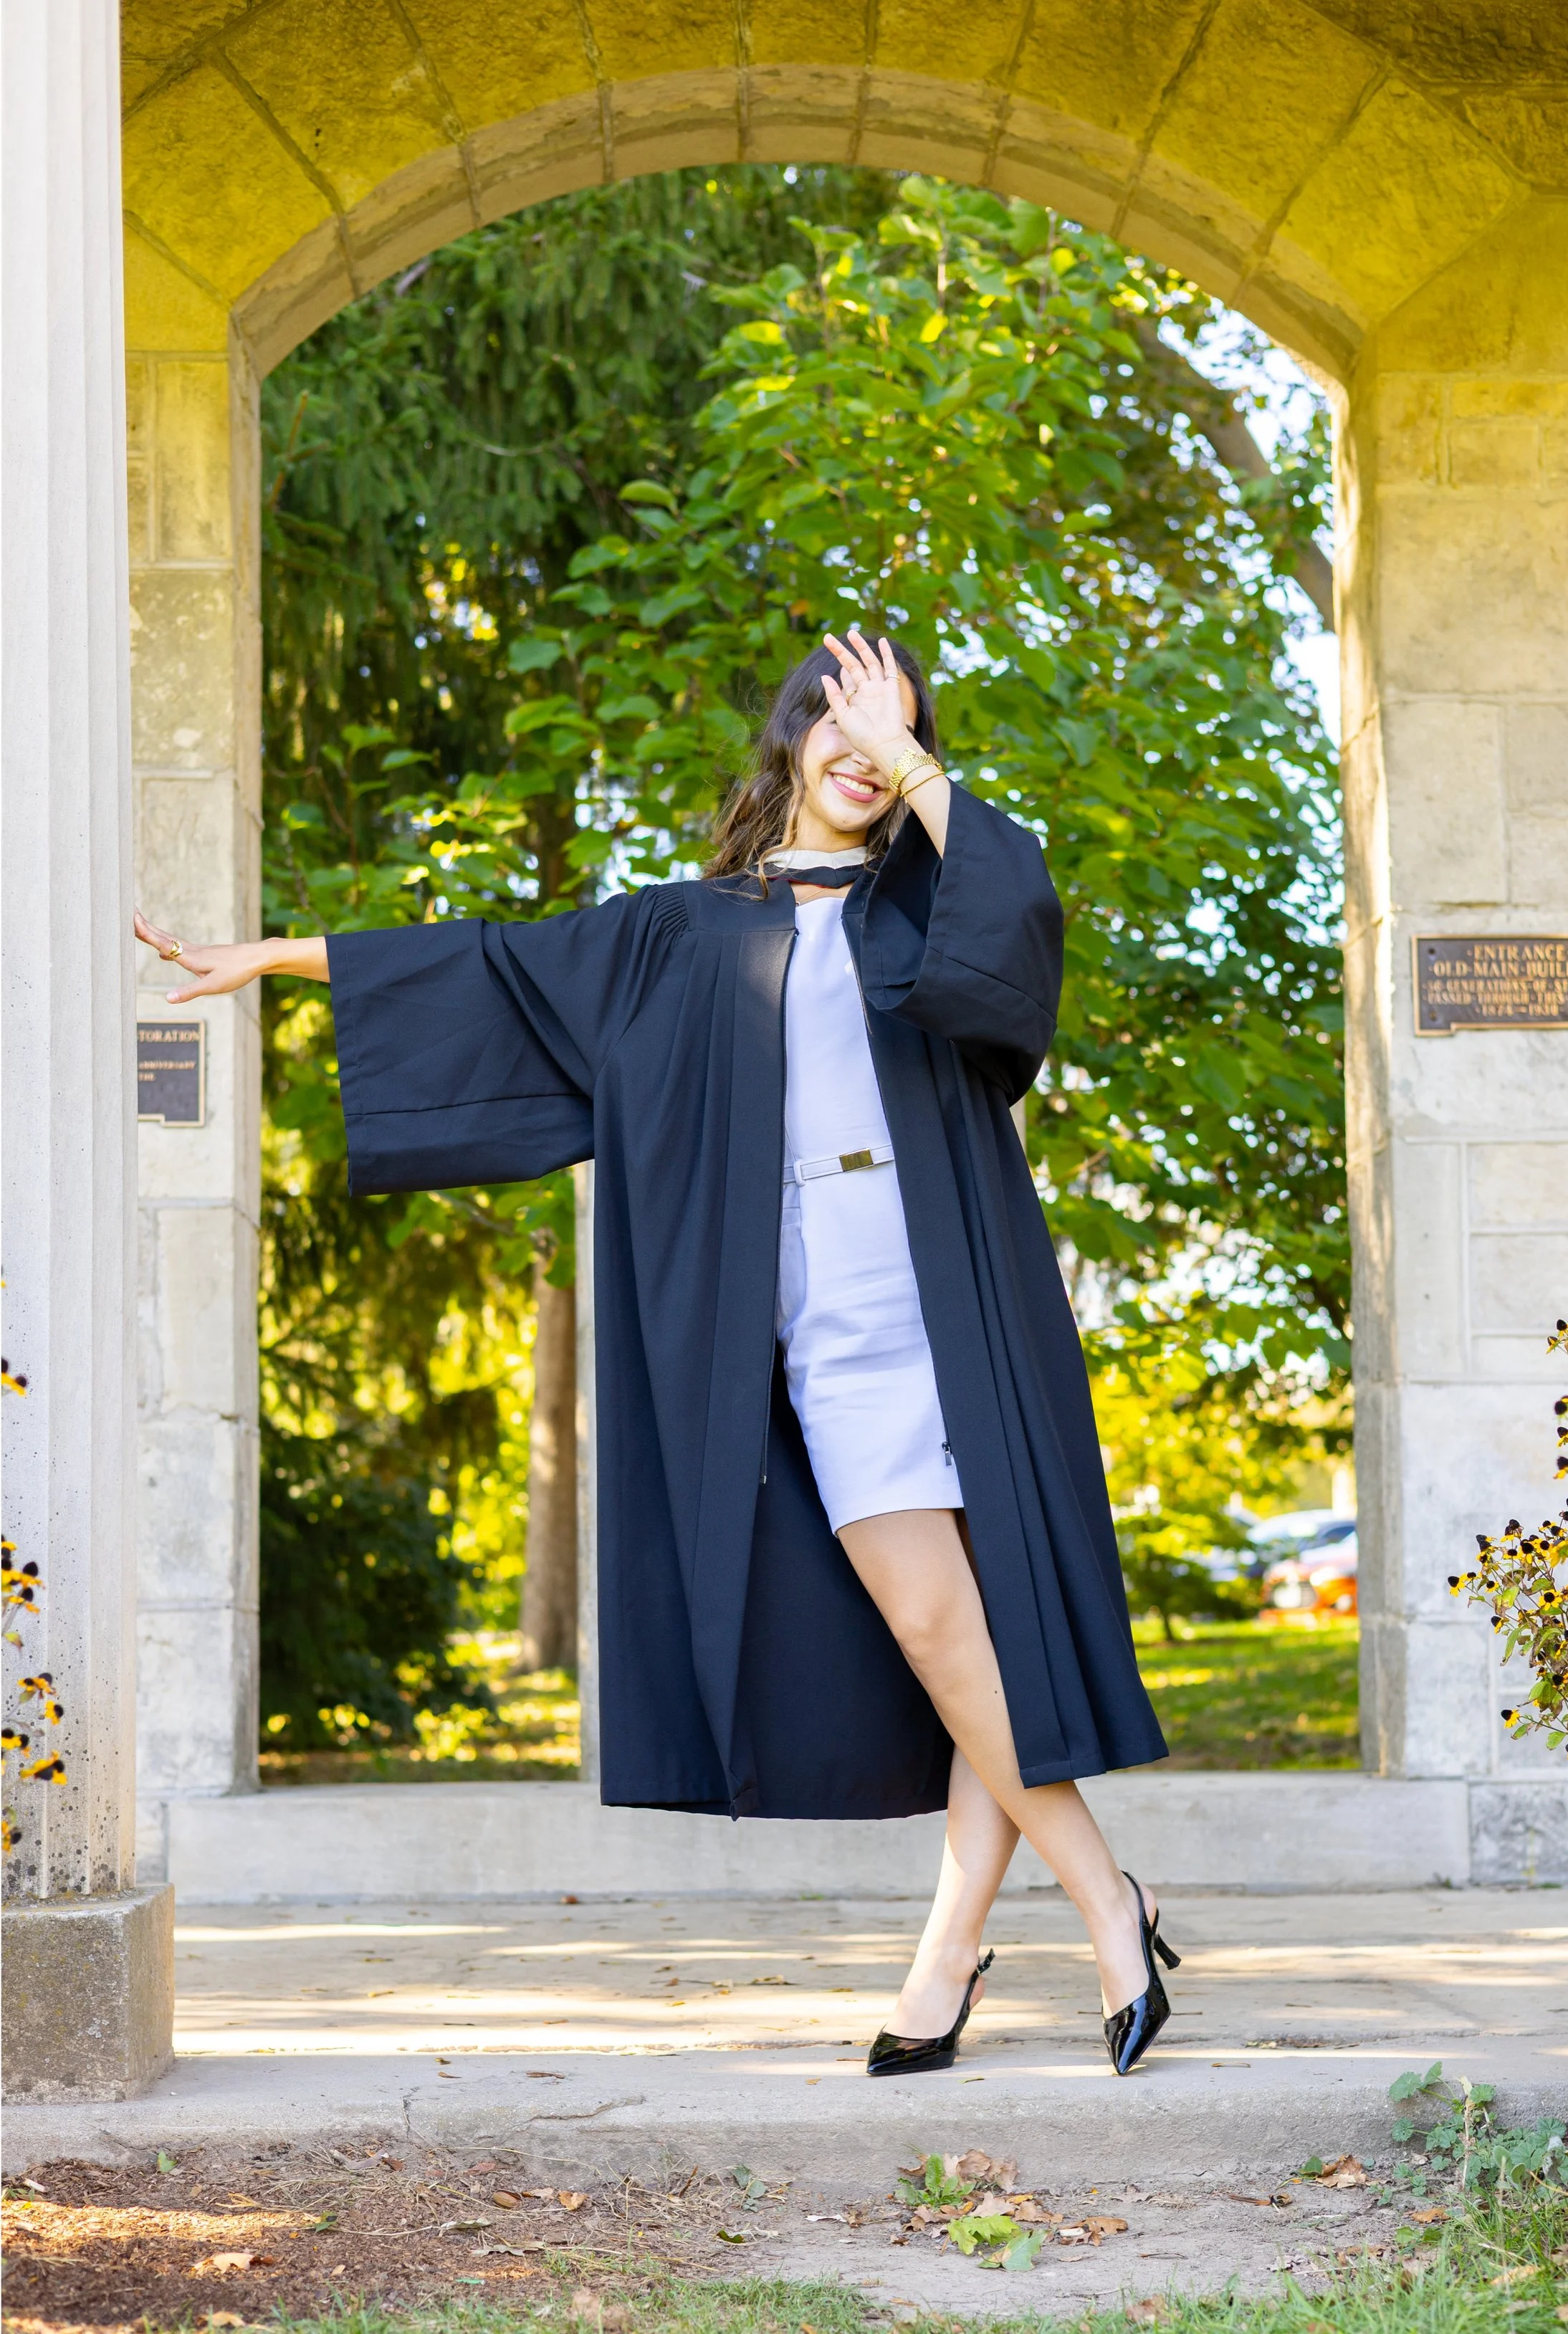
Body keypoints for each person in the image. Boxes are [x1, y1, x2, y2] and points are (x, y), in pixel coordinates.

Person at [138, 630, 1180, 2075]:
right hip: (831, 1325)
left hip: (966, 1302)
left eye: (890, 730)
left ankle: (955, 1960)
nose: (860, 750)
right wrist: (276, 957)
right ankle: (1109, 1904)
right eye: (834, 718)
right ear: (786, 742)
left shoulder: (930, 910)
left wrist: (922, 755)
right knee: (945, 1643)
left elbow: (1016, 945)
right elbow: (498, 968)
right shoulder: (686, 933)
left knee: (980, 1653)